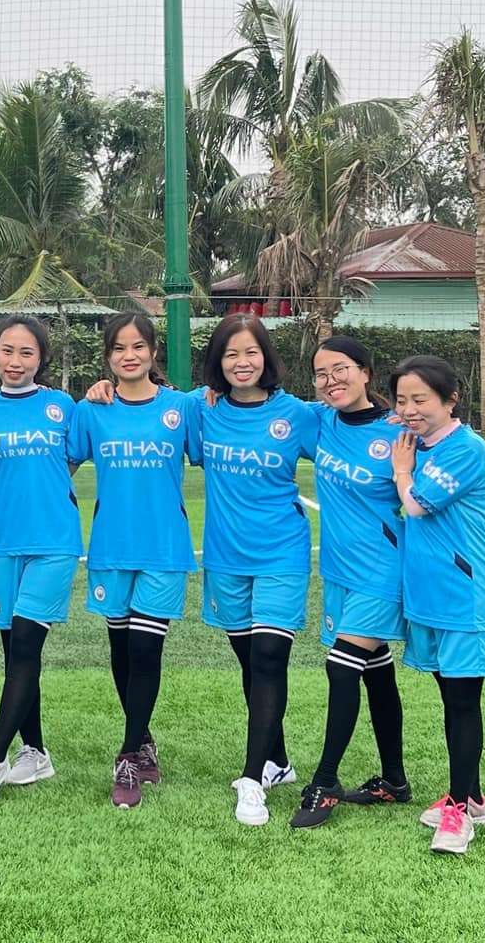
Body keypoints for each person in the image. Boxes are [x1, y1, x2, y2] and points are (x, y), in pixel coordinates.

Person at [192, 313, 318, 827]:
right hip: (226, 556)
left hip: (282, 552)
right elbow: (146, 403)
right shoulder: (202, 410)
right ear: (217, 363)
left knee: (269, 657)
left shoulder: (297, 415)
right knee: (250, 662)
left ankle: (252, 780)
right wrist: (105, 388)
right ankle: (278, 761)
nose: (241, 363)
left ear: (266, 357)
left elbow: (353, 430)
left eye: (251, 352)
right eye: (230, 354)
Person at [71, 314, 196, 808]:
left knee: (146, 650)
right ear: (108, 356)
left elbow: (222, 435)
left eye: (138, 346)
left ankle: (127, 757)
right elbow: (62, 463)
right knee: (121, 651)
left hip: (164, 548)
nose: (129, 355)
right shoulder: (92, 409)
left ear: (153, 352)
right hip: (111, 547)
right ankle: (143, 739)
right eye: (119, 348)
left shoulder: (181, 408)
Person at [0, 316, 80, 809]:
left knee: (26, 644)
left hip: (54, 542)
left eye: (26, 353)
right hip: (3, 544)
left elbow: (77, 452)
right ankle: (36, 752)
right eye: (7, 350)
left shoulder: (62, 406)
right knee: (15, 655)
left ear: (41, 359)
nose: (15, 361)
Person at [287, 336, 410, 830]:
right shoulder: (321, 421)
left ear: (365, 372)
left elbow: (441, 491)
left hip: (384, 570)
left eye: (340, 369)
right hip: (340, 571)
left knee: (341, 668)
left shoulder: (399, 431)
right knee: (376, 670)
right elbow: (255, 397)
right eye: (321, 373)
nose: (330, 380)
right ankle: (394, 781)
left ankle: (325, 782)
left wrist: (484, 546)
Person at [387, 355, 485, 856]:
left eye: (421, 400)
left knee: (462, 702)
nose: (409, 410)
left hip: (465, 594)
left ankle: (460, 808)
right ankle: (471, 796)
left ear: (451, 400)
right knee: (448, 697)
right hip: (430, 594)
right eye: (402, 400)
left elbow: (416, 504)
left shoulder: (465, 449)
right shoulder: (418, 439)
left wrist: (402, 472)